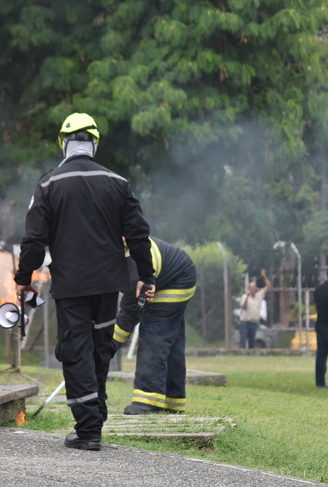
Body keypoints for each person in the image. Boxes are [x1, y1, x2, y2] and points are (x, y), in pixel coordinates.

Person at [14, 113, 155, 451]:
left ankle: (89, 429)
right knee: (99, 348)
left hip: (71, 285)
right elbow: (138, 235)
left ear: (63, 144)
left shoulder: (48, 184)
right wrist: (146, 276)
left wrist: (24, 279)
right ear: (94, 143)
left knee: (75, 350)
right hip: (109, 285)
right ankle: (97, 416)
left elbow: (34, 239)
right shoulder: (118, 182)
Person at [112, 236, 197, 415]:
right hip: (171, 273)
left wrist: (108, 347)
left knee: (153, 333)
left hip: (177, 279)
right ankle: (173, 402)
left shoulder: (134, 264)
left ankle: (147, 401)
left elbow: (128, 315)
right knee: (171, 343)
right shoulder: (115, 253)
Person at [238, 269, 270, 349]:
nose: (252, 289)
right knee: (243, 340)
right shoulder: (245, 296)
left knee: (252, 341)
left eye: (254, 288)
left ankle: (251, 358)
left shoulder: (259, 296)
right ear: (249, 289)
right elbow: (243, 307)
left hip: (254, 322)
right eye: (251, 288)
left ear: (256, 289)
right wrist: (247, 297)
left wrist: (264, 277)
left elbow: (268, 286)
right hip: (245, 322)